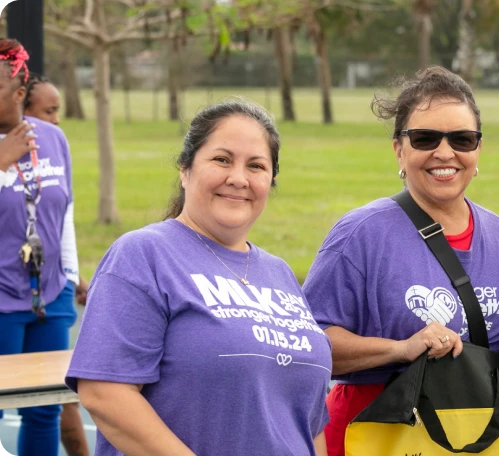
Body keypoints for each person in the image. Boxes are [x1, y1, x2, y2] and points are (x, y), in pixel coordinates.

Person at [65, 100, 331, 455]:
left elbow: (309, 422)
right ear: (185, 169)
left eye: (256, 166)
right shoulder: (144, 255)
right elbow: (105, 393)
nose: (238, 178)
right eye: (222, 159)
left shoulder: (279, 273)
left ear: (271, 181)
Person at [302, 66, 499, 456]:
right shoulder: (361, 233)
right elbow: (307, 344)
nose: (445, 153)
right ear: (399, 150)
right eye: (425, 138)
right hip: (376, 438)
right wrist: (401, 348)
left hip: (474, 440)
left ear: (477, 149)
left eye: (462, 139)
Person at [0, 39, 79, 456]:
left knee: (45, 410)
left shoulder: (53, 138)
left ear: (18, 94)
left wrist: (70, 275)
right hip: (1, 303)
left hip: (49, 296)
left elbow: (64, 210)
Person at [24, 71, 91, 456]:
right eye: (48, 111)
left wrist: (72, 275)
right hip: (9, 298)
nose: (56, 119)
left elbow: (62, 220)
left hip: (53, 293)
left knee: (49, 403)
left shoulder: (56, 146)